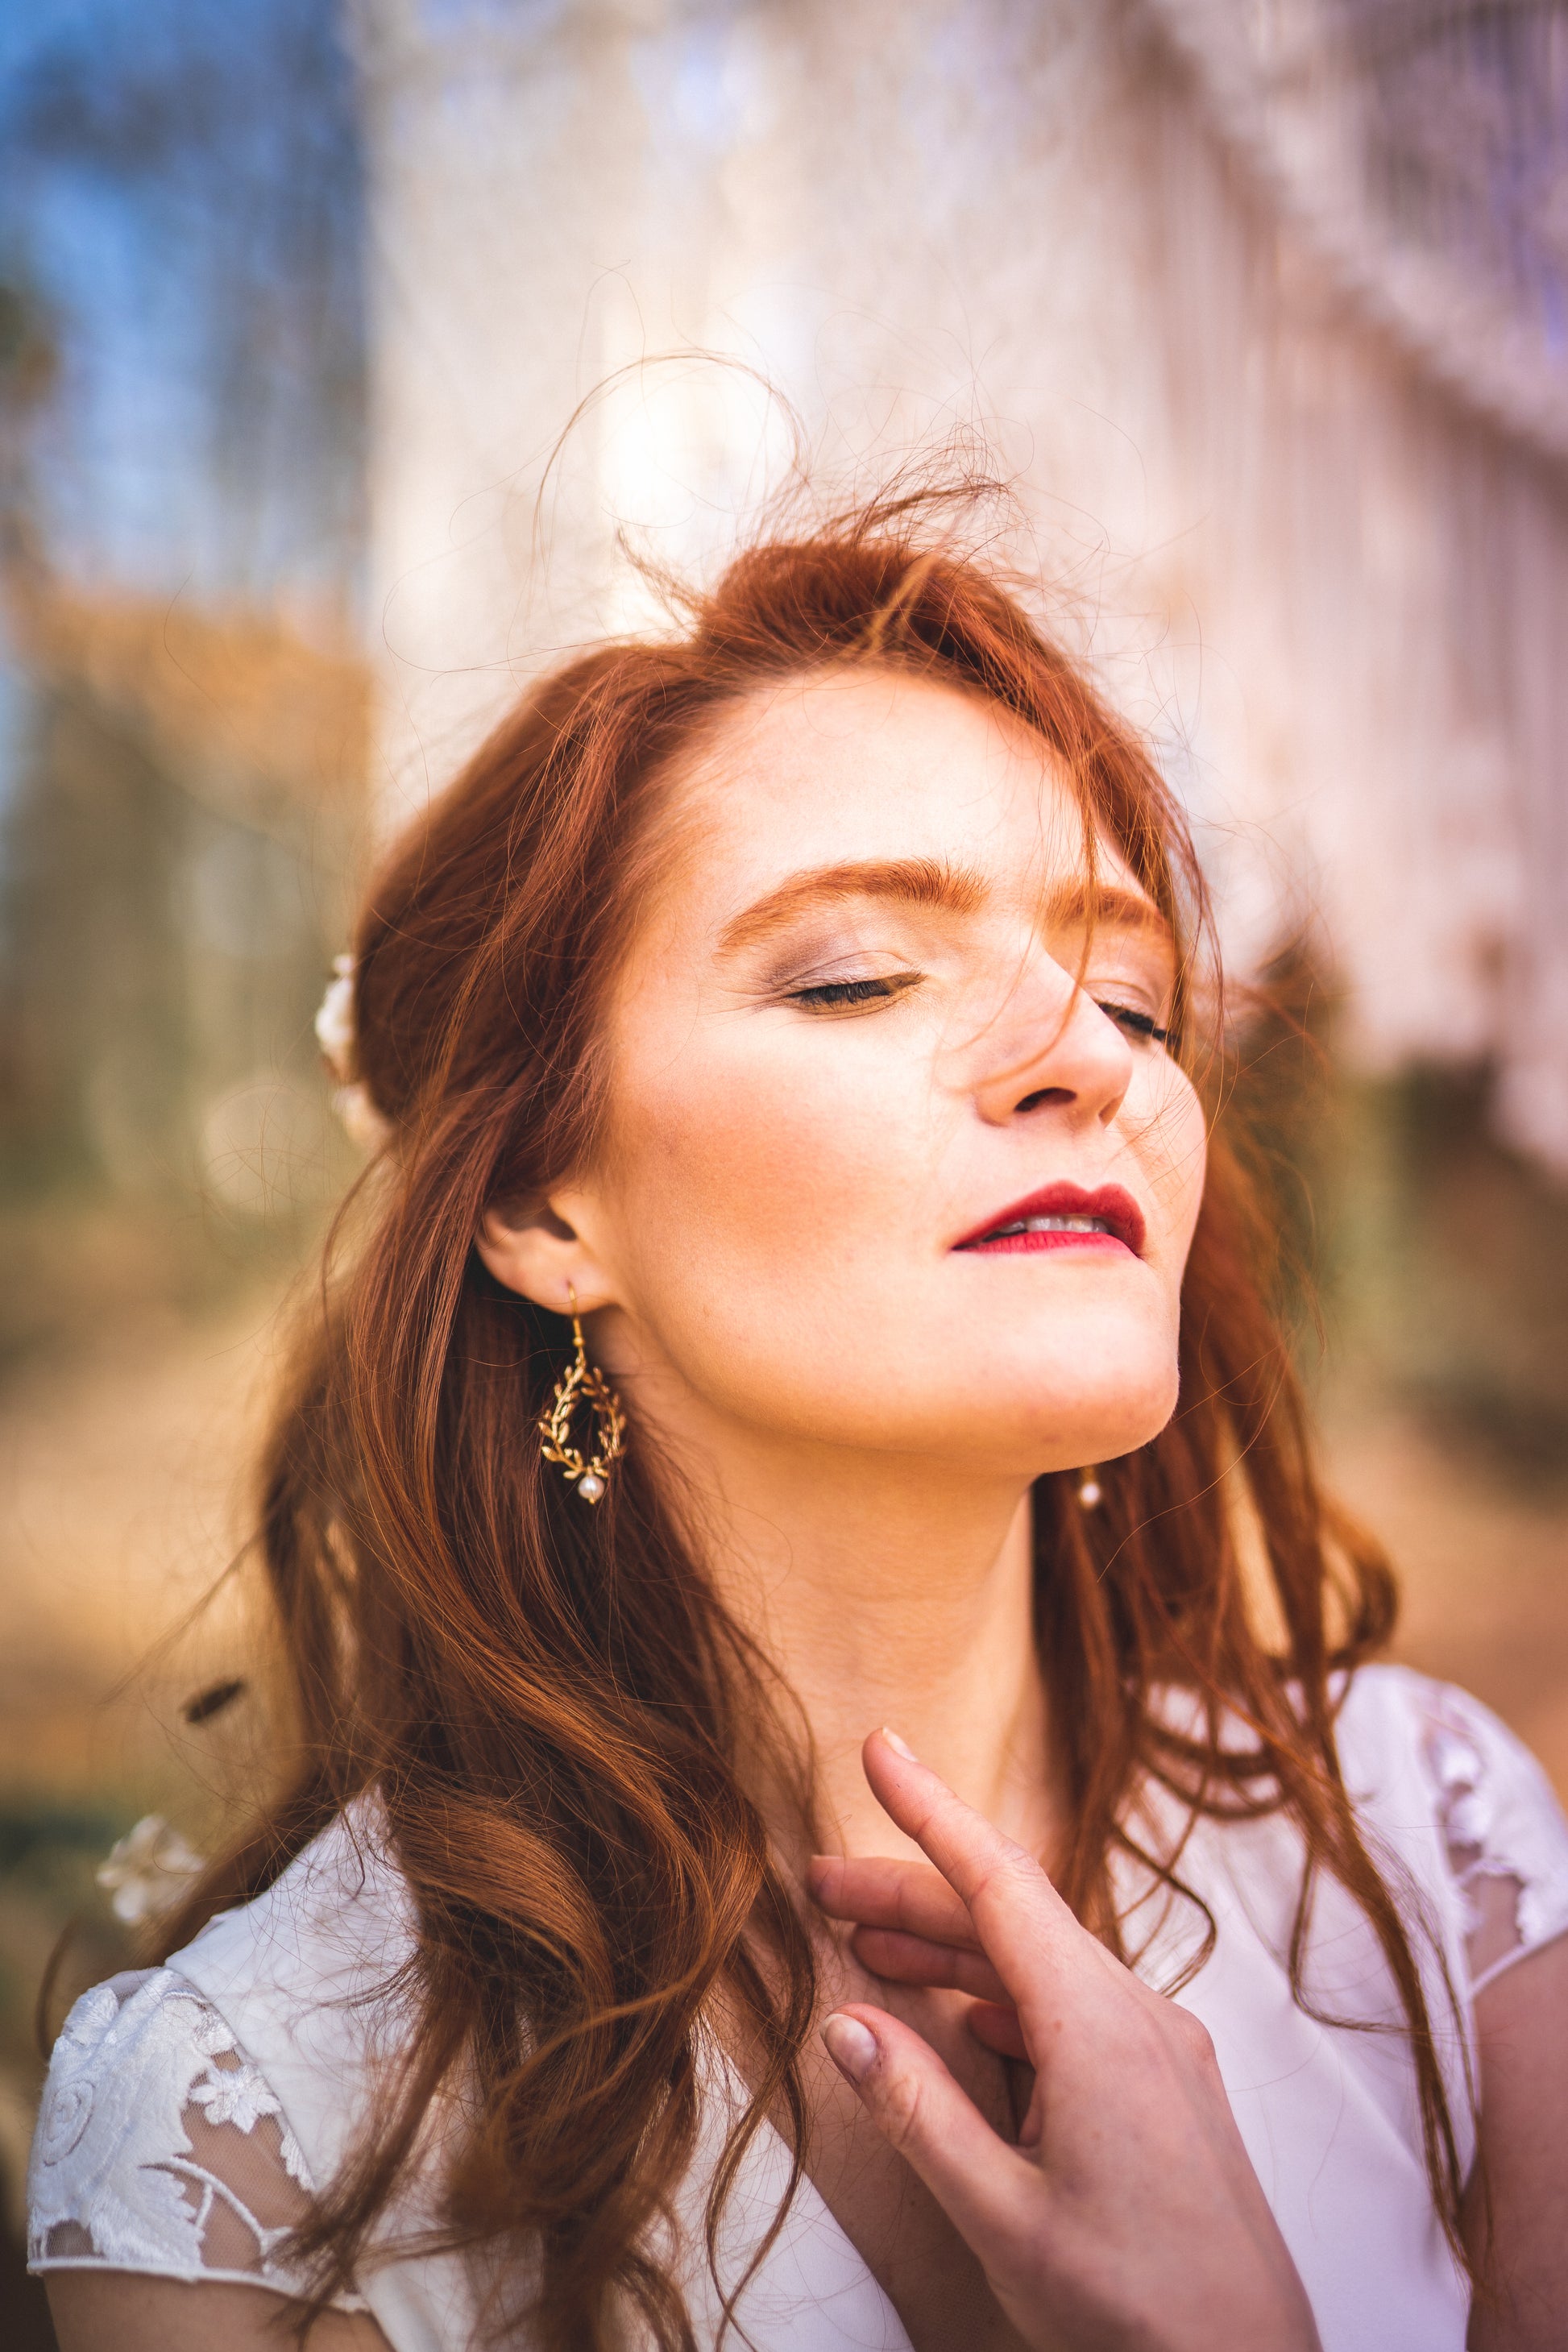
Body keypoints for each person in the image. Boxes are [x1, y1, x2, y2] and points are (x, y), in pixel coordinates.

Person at [27, 504, 1568, 2352]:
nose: (1083, 1047)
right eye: (853, 972)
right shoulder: (256, 2146)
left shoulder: (1437, 1853)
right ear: (540, 1204)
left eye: (1138, 993)